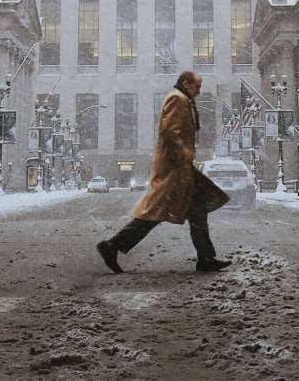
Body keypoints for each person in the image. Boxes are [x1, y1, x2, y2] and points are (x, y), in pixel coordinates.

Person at [97, 71, 230, 274]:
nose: (199, 91)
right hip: (174, 168)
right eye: (197, 86)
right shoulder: (177, 99)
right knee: (155, 212)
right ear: (186, 83)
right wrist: (183, 153)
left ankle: (206, 258)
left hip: (180, 166)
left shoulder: (183, 98)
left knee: (197, 209)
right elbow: (169, 131)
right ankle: (112, 245)